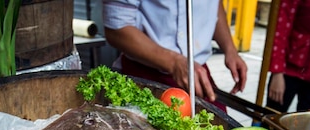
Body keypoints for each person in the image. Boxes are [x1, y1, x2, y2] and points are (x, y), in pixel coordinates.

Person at [101, 0, 248, 109]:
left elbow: (215, 5)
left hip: (197, 74)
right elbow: (116, 30)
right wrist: (174, 62)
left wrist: (230, 50)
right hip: (145, 72)